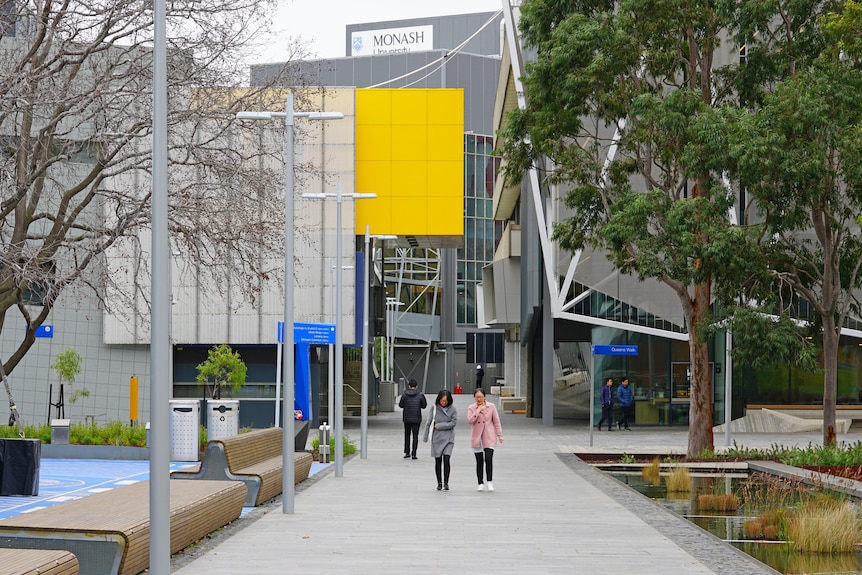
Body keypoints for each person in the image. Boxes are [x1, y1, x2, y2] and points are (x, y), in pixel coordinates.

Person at [467, 388, 504, 492]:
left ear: (485, 397)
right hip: (477, 437)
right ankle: (480, 482)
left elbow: (496, 421)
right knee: (479, 461)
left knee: (488, 459)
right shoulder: (471, 407)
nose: (479, 399)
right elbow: (470, 420)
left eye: (481, 397)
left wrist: (499, 435)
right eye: (477, 397)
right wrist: (477, 411)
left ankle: (489, 481)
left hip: (488, 436)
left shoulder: (491, 406)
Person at [423, 389, 457, 491]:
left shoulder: (453, 410)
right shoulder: (434, 409)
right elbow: (428, 423)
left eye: (446, 401)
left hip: (449, 438)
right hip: (437, 438)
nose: (444, 403)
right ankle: (439, 482)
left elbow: (453, 423)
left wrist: (440, 426)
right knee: (438, 461)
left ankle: (446, 482)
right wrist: (425, 437)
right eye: (442, 401)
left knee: (447, 459)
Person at [398, 379, 427, 459]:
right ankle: (414, 454)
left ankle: (407, 452)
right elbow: (424, 406)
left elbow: (401, 405)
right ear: (417, 386)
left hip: (407, 418)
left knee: (407, 435)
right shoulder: (420, 395)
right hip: (416, 418)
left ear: (409, 386)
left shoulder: (404, 395)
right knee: (415, 436)